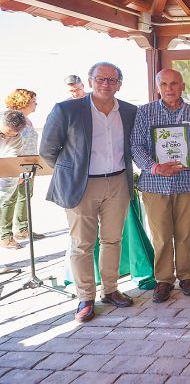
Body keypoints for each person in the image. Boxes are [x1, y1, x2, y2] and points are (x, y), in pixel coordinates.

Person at [40, 62, 137, 322]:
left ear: (119, 84)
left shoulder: (129, 111)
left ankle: (111, 290)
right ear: (91, 80)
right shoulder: (67, 109)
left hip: (117, 182)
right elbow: (48, 150)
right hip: (82, 185)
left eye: (112, 80)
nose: (106, 84)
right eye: (100, 79)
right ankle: (85, 297)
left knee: (112, 240)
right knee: (82, 244)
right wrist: (72, 173)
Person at [131, 69, 190, 303]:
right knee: (161, 236)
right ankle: (163, 280)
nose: (169, 88)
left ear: (182, 86)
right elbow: (136, 146)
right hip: (154, 184)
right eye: (163, 84)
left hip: (185, 183)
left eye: (174, 83)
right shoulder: (145, 112)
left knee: (185, 233)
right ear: (157, 88)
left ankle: (187, 276)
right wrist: (155, 167)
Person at [1, 90, 44, 247]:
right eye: (33, 100)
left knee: (25, 195)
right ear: (23, 101)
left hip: (27, 165)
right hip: (11, 167)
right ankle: (5, 235)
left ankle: (23, 228)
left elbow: (22, 146)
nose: (36, 103)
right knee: (9, 198)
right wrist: (13, 170)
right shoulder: (8, 119)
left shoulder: (27, 122)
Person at [0, 110, 26, 249]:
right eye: (4, 133)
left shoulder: (16, 138)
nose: (6, 137)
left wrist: (17, 173)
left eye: (11, 135)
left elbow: (11, 160)